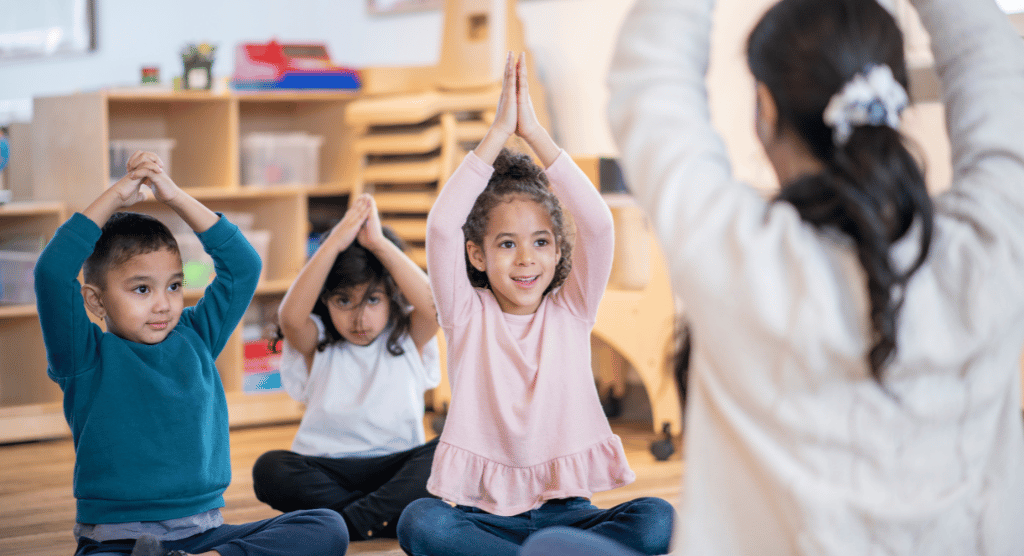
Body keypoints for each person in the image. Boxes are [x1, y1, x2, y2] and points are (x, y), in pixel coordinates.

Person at [522, 0, 1024, 553]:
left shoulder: (737, 249)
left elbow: (648, 66)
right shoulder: (990, 242)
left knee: (555, 547)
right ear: (894, 101)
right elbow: (990, 56)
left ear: (764, 110)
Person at [396, 52, 675, 556]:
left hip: (570, 515)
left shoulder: (571, 309)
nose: (526, 259)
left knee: (658, 518)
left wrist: (536, 135)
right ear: (476, 254)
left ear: (559, 250)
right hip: (485, 519)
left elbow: (598, 224)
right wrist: (500, 131)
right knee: (421, 522)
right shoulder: (465, 312)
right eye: (507, 244)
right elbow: (440, 228)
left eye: (541, 242)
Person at [34, 150, 349, 556]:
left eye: (174, 286)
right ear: (95, 302)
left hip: (203, 537)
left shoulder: (197, 335)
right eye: (142, 289)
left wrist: (175, 197)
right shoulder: (83, 357)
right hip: (116, 541)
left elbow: (243, 265)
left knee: (325, 526)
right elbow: (52, 272)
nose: (163, 304)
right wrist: (115, 195)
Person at [251, 193, 441, 541]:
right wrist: (335, 243)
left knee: (449, 450)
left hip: (397, 464)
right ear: (325, 300)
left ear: (391, 297)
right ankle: (377, 518)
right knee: (270, 469)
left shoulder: (406, 337)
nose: (360, 318)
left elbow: (434, 307)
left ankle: (344, 525)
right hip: (328, 468)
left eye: (372, 299)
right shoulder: (317, 340)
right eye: (343, 301)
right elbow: (290, 317)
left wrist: (380, 244)